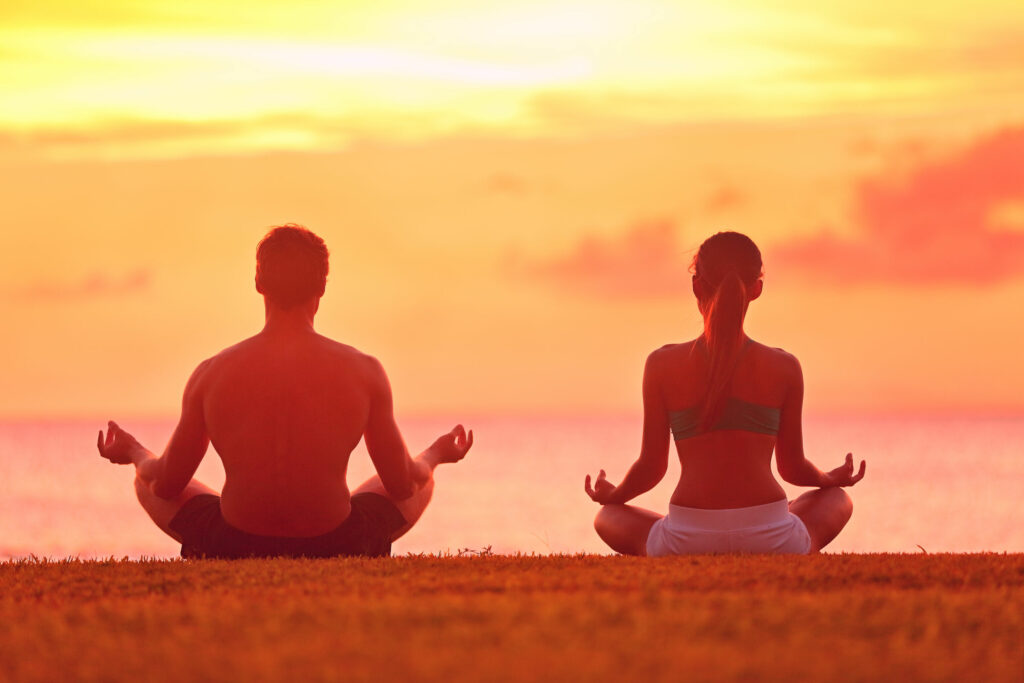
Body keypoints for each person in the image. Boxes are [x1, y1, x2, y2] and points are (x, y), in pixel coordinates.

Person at [97, 224, 472, 559]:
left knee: (143, 479)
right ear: (322, 285)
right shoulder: (364, 371)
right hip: (339, 542)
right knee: (422, 478)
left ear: (259, 283)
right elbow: (402, 484)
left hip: (232, 543)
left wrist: (134, 452)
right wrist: (436, 454)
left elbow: (165, 485)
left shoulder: (211, 374)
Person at [583, 231, 865, 555]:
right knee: (837, 498)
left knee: (608, 516)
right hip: (773, 536)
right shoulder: (785, 366)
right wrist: (829, 479)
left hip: (686, 538)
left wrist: (614, 494)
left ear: (696, 285)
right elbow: (792, 468)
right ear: (757, 289)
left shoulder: (661, 364)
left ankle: (682, 533)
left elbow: (651, 467)